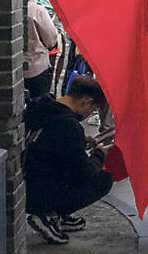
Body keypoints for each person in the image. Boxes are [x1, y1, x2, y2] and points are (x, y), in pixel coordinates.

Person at [23, 75, 113, 244]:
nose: (89, 115)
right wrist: (99, 154)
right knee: (103, 179)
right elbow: (83, 172)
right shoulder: (69, 126)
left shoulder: (45, 107)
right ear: (86, 101)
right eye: (92, 109)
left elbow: (51, 141)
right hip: (41, 193)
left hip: (28, 180)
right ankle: (48, 214)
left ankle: (58, 215)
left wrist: (82, 140)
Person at [24, 0, 61, 100]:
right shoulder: (37, 11)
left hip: (14, 70)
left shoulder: (11, 7)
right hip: (37, 68)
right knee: (39, 104)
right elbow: (51, 39)